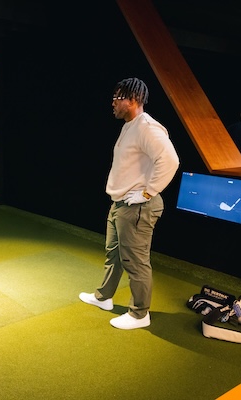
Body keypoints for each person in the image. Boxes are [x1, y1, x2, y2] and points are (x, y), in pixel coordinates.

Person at [79, 78, 179, 330]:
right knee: (113, 254)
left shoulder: (147, 127)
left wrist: (147, 193)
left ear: (133, 100)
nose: (112, 103)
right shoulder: (130, 126)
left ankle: (139, 314)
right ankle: (104, 297)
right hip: (121, 203)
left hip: (137, 206)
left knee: (135, 261)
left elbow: (170, 160)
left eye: (117, 98)